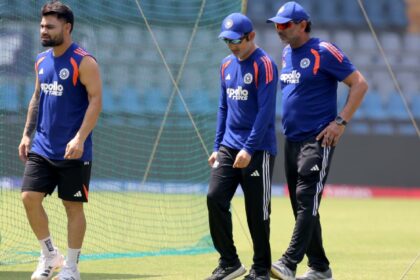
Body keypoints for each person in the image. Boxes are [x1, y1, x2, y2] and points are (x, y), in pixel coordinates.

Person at [266, 2, 368, 280]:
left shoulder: (324, 51)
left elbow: (359, 83)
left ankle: (289, 262)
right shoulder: (287, 53)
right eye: (277, 24)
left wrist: (340, 122)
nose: (279, 29)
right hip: (292, 139)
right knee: (302, 205)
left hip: (318, 138)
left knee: (306, 198)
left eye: (285, 24)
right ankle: (320, 268)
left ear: (302, 24)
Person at [18, 1, 102, 279]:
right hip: (42, 146)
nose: (43, 30)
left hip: (73, 151)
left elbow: (96, 101)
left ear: (67, 28)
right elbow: (36, 97)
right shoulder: (41, 61)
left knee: (72, 207)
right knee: (29, 197)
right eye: (42, 25)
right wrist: (27, 134)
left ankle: (72, 268)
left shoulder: (84, 61)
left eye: (50, 26)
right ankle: (50, 255)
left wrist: (80, 138)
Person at [205, 13, 279, 280]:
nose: (232, 46)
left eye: (236, 40)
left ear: (251, 37)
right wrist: (217, 145)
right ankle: (229, 262)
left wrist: (248, 149)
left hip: (258, 149)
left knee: (256, 211)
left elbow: (265, 113)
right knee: (214, 198)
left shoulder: (265, 65)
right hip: (228, 146)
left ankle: (261, 269)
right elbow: (224, 107)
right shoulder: (226, 65)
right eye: (227, 41)